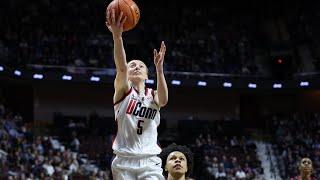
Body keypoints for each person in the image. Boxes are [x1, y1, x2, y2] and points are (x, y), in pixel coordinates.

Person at [106, 8, 168, 180]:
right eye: (132, 65)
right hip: (124, 161)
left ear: (147, 75)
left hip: (149, 161)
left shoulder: (153, 94)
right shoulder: (122, 91)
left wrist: (160, 70)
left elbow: (163, 100)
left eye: (141, 66)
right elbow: (121, 67)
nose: (136, 67)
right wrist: (117, 37)